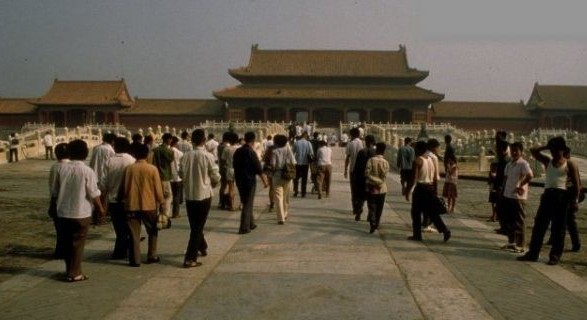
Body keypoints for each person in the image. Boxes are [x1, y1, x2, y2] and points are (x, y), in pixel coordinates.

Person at [518, 137, 581, 265]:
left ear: (562, 150)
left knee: (559, 228)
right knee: (539, 226)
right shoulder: (548, 161)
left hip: (562, 197)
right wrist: (546, 146)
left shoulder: (569, 164)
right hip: (548, 195)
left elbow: (577, 185)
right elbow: (533, 151)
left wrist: (574, 201)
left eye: (555, 150)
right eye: (551, 150)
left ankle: (555, 255)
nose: (553, 153)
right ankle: (533, 253)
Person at [52, 139, 105, 282]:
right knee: (78, 244)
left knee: (67, 243)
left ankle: (70, 270)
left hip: (63, 212)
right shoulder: (88, 171)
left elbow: (54, 192)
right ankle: (74, 274)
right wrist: (100, 209)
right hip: (81, 212)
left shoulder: (61, 169)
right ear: (86, 153)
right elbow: (94, 193)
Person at [119, 144, 166, 267]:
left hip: (131, 204)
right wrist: (162, 203)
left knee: (134, 234)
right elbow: (158, 189)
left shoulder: (128, 169)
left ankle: (135, 259)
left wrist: (119, 199)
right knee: (153, 230)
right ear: (147, 154)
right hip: (149, 204)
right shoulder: (152, 169)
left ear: (134, 154)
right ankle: (152, 255)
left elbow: (122, 188)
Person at [179, 129, 221, 268]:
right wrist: (213, 184)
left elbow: (180, 174)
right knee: (197, 228)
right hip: (204, 195)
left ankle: (202, 246)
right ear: (204, 140)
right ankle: (190, 258)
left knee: (195, 225)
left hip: (190, 195)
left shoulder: (185, 156)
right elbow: (215, 176)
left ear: (192, 140)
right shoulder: (207, 156)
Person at [405, 141, 451, 242]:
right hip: (430, 188)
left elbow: (413, 178)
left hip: (421, 188)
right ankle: (445, 230)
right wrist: (434, 191)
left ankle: (417, 235)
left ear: (419, 149)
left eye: (416, 149)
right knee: (432, 213)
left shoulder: (417, 161)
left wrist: (408, 191)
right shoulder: (431, 159)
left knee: (416, 212)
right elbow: (435, 177)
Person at [100, 137, 135, 260]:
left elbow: (103, 183)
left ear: (116, 147)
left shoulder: (109, 161)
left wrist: (103, 198)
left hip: (113, 200)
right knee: (130, 227)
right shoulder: (132, 161)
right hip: (129, 200)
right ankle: (130, 250)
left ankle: (120, 251)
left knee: (118, 227)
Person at [499, 142, 533, 253]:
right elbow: (506, 178)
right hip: (507, 194)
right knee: (509, 220)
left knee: (519, 220)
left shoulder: (523, 164)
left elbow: (529, 175)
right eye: (512, 150)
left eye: (516, 150)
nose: (513, 152)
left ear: (521, 151)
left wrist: (521, 185)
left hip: (518, 196)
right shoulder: (509, 164)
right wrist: (502, 190)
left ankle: (520, 244)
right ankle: (511, 242)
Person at [233, 131, 268, 234]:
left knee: (246, 201)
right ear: (253, 140)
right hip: (249, 181)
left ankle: (251, 223)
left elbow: (234, 164)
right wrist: (265, 181)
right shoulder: (251, 152)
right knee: (247, 203)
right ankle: (244, 227)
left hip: (239, 180)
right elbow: (258, 168)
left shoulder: (238, 151)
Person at [47, 143, 69, 259]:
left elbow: (53, 189)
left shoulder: (55, 167)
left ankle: (60, 251)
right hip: (72, 203)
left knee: (60, 230)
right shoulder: (73, 166)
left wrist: (52, 204)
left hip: (58, 203)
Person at [89, 132, 116, 225]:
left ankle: (94, 217)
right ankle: (101, 218)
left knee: (96, 197)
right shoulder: (110, 150)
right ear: (112, 141)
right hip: (104, 176)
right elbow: (110, 164)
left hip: (93, 175)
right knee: (104, 198)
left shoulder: (96, 148)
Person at [270, 134, 295, 224]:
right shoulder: (288, 150)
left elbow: (273, 164)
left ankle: (281, 218)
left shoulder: (274, 151)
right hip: (287, 175)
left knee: (278, 197)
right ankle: (285, 213)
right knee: (286, 196)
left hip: (277, 175)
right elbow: (293, 162)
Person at [151, 133, 174, 229]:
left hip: (156, 176)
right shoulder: (168, 151)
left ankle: (156, 216)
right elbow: (171, 159)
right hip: (165, 177)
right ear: (168, 140)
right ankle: (165, 216)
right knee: (168, 197)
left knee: (157, 198)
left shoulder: (155, 150)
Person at [365, 142, 390, 233]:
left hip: (371, 187)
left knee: (372, 207)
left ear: (376, 150)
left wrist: (374, 181)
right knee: (380, 207)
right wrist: (379, 182)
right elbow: (385, 176)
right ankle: (377, 223)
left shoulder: (371, 160)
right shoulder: (386, 162)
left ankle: (372, 223)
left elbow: (367, 173)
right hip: (382, 188)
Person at [352, 135, 376, 221]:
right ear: (373, 142)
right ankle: (370, 215)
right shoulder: (375, 153)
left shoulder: (361, 152)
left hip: (361, 178)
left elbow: (356, 166)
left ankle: (358, 213)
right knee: (371, 198)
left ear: (366, 142)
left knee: (360, 198)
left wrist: (355, 177)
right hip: (372, 179)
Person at [488, 140, 509, 224]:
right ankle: (496, 217)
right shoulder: (500, 159)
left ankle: (500, 219)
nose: (496, 150)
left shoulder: (505, 161)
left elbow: (505, 175)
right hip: (496, 183)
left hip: (501, 184)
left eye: (497, 149)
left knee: (500, 203)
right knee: (494, 201)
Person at [344, 128, 364, 216]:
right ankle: (360, 206)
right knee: (361, 189)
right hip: (361, 170)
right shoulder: (362, 143)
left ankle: (355, 208)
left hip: (352, 169)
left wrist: (345, 169)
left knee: (354, 190)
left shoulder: (350, 144)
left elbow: (347, 158)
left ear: (351, 135)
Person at [220, 132, 239, 211]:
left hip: (229, 169)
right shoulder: (239, 148)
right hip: (238, 169)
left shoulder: (226, 148)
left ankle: (232, 205)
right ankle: (240, 204)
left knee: (230, 188)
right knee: (239, 188)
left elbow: (223, 160)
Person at [292, 132, 314, 198]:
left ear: (301, 136)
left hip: (297, 163)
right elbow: (312, 153)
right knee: (304, 179)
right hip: (305, 163)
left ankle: (296, 191)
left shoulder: (296, 143)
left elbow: (292, 152)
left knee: (295, 178)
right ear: (306, 137)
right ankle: (303, 193)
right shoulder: (308, 143)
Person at [170, 136, 184, 218]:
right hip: (177, 176)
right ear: (175, 143)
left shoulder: (167, 151)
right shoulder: (180, 153)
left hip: (168, 176)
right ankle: (175, 213)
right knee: (176, 196)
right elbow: (181, 166)